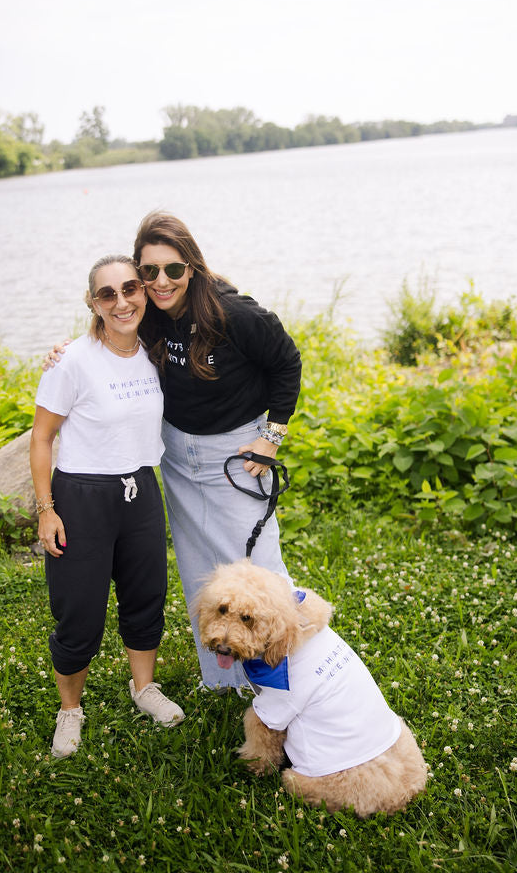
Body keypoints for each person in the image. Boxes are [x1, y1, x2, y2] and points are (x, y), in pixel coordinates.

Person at [45, 213, 302, 693]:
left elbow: (287, 361)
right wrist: (69, 351)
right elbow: (112, 332)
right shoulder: (150, 310)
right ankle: (224, 680)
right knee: (200, 569)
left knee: (260, 568)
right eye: (150, 272)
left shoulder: (235, 314)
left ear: (193, 267)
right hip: (177, 455)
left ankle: (292, 678)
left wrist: (271, 437)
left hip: (236, 452)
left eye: (173, 270)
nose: (161, 282)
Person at [30, 253, 184, 759]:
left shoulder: (155, 349)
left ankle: (144, 689)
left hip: (140, 489)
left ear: (144, 292)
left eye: (130, 289)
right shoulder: (72, 360)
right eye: (107, 294)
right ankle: (70, 710)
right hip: (82, 497)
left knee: (146, 597)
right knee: (79, 613)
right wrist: (46, 509)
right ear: (92, 303)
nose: (121, 301)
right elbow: (42, 438)